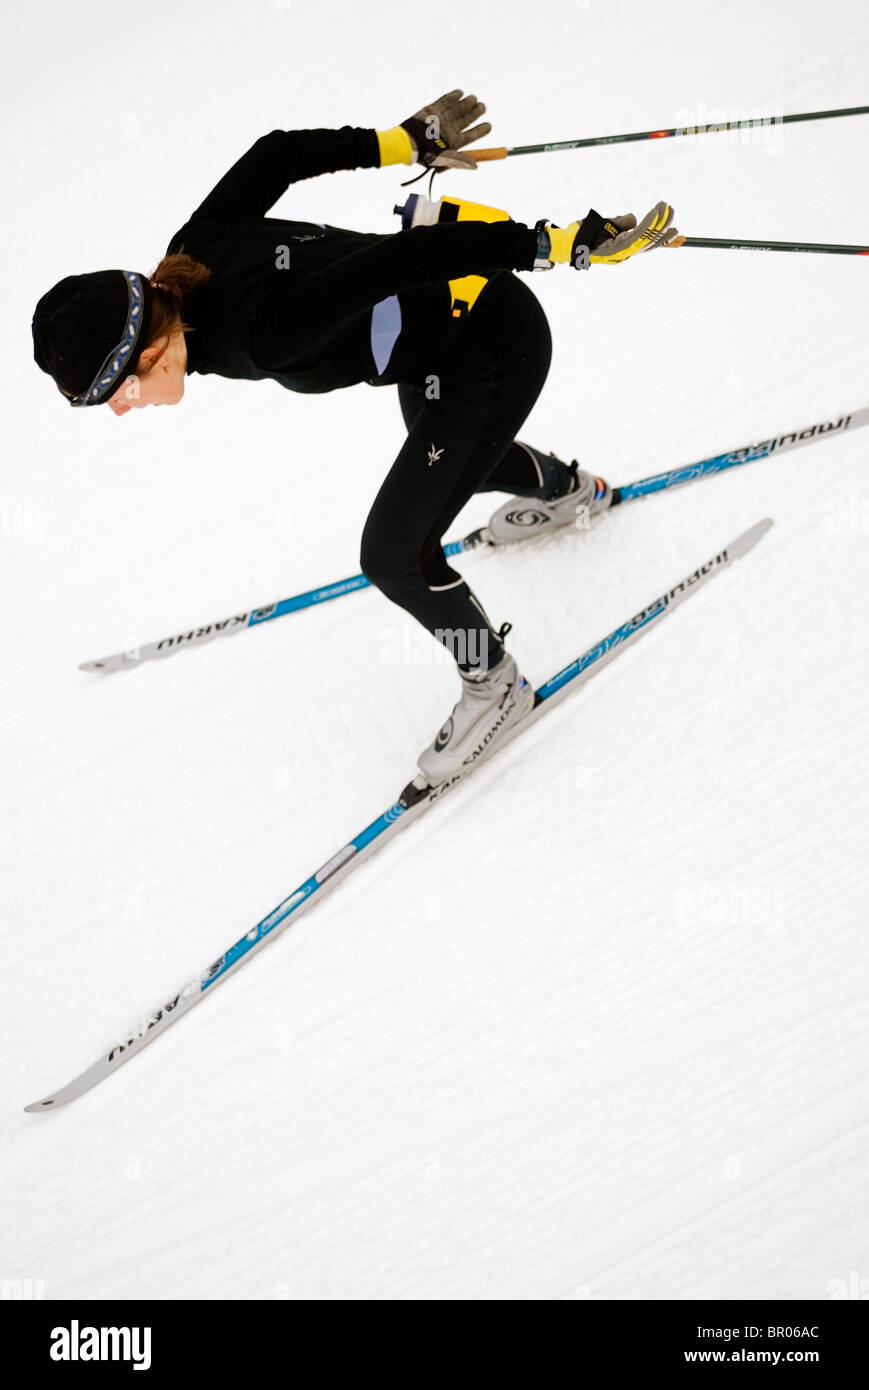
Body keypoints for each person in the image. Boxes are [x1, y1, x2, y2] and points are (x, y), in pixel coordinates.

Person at [32, 90, 677, 786]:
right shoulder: (191, 254)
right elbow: (275, 154)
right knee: (460, 467)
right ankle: (568, 492)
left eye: (118, 393)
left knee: (394, 555)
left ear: (151, 351)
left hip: (491, 345)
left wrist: (549, 244)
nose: (126, 410)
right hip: (436, 350)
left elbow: (409, 259)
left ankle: (495, 688)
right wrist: (402, 142)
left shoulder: (263, 329)